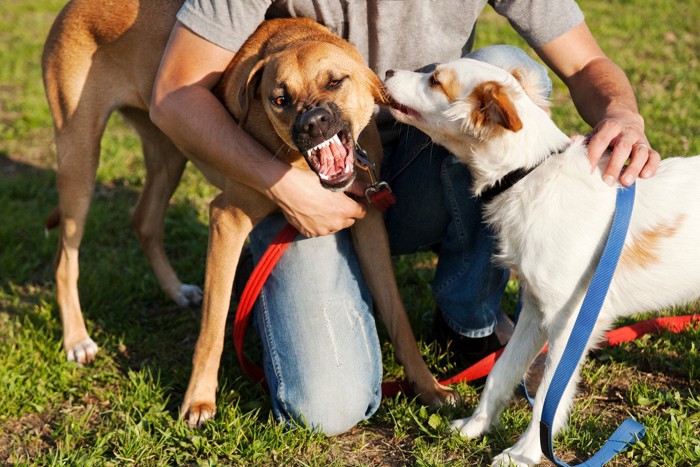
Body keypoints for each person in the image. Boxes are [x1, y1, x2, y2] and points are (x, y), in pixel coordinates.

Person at [150, 1, 661, 436]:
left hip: (419, 157)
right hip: (296, 176)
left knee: (503, 65)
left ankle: (469, 316)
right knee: (327, 408)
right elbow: (174, 95)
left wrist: (622, 113)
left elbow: (585, 61)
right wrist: (285, 187)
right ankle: (282, 276)